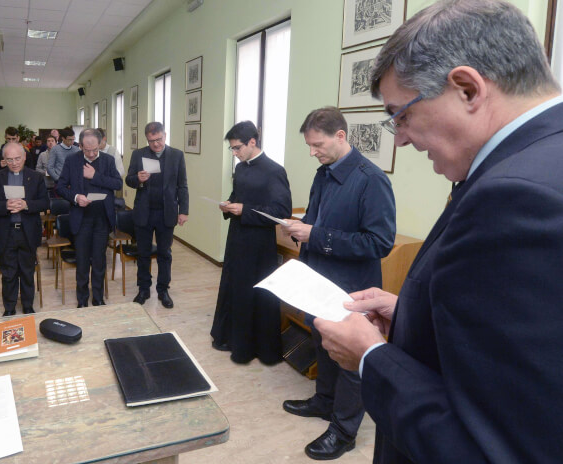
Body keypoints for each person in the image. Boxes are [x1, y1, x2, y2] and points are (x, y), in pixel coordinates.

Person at [310, 2, 563, 463]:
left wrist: (371, 357)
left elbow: (496, 444)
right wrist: (412, 314)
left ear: (467, 89)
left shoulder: (517, 197)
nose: (401, 138)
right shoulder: (537, 162)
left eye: (401, 115)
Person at [280, 107, 396, 460]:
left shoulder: (371, 179)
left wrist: (316, 235)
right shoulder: (323, 174)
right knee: (323, 343)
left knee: (348, 359)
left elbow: (380, 243)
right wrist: (299, 226)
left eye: (317, 145)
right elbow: (316, 221)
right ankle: (324, 401)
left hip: (351, 288)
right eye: (309, 145)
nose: (312, 152)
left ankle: (344, 432)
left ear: (340, 136)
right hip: (317, 279)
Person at [210, 121, 292, 365]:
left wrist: (245, 210)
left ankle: (254, 348)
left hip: (258, 244)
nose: (234, 153)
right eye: (232, 149)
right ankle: (231, 339)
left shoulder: (274, 171)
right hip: (237, 237)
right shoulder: (241, 168)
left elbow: (281, 211)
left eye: (237, 148)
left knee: (253, 292)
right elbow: (237, 197)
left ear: (252, 142)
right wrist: (228, 204)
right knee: (234, 287)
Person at [125, 122, 189, 308]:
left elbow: (182, 185)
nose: (156, 144)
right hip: (144, 212)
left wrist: (184, 211)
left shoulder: (177, 155)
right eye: (151, 141)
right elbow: (128, 180)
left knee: (164, 253)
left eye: (159, 139)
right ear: (147, 139)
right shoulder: (138, 154)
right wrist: (138, 179)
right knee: (143, 253)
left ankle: (163, 290)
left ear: (165, 135)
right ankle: (144, 289)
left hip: (166, 212)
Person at [56, 128, 122, 307]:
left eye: (95, 150)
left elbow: (117, 183)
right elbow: (60, 187)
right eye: (87, 150)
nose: (91, 154)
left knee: (99, 261)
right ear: (80, 145)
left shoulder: (108, 160)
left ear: (100, 144)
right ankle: (82, 299)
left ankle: (98, 298)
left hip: (102, 218)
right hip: (81, 218)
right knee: (82, 261)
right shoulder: (72, 160)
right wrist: (76, 197)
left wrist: (95, 176)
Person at [0, 143, 49, 316]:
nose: (14, 163)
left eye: (17, 158)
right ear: (4, 160)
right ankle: (10, 307)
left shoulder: (36, 177)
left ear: (24, 157)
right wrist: (4, 205)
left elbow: (45, 202)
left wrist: (26, 204)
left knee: (27, 271)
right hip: (6, 232)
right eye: (9, 159)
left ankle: (27, 305)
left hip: (28, 231)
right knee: (8, 273)